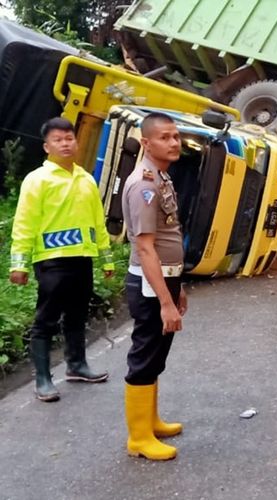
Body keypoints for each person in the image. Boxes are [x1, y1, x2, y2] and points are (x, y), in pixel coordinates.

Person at [9, 117, 113, 402]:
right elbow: (24, 223)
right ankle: (43, 378)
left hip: (82, 258)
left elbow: (97, 223)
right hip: (52, 260)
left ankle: (77, 365)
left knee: (78, 314)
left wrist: (106, 259)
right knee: (46, 319)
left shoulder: (86, 179)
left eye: (69, 138)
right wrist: (18, 264)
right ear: (47, 146)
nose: (65, 144)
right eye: (58, 140)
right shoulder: (37, 180)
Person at [121, 112, 187, 461]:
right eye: (165, 137)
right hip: (150, 285)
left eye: (176, 136)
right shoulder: (145, 185)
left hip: (165, 279)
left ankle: (151, 421)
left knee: (156, 354)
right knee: (145, 355)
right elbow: (145, 247)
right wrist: (165, 302)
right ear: (146, 142)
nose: (174, 142)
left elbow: (168, 237)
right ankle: (139, 438)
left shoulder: (161, 177)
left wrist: (178, 288)